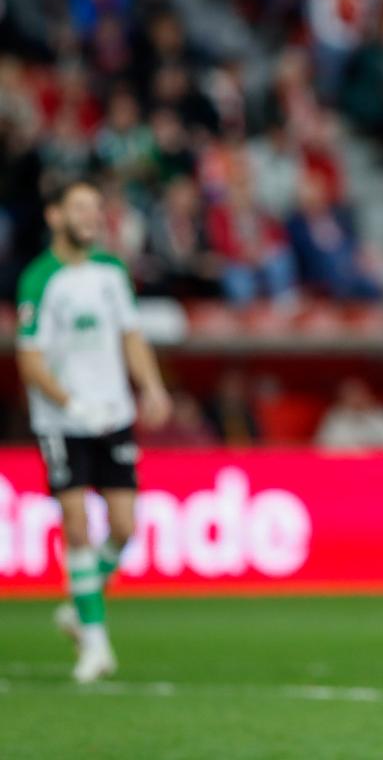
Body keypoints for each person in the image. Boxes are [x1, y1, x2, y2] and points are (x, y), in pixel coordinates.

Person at [15, 181, 171, 683]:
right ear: (55, 215)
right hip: (63, 420)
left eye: (96, 208)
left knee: (124, 527)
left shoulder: (111, 271)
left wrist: (152, 387)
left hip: (113, 413)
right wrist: (70, 402)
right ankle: (96, 644)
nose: (91, 217)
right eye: (80, 208)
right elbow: (29, 358)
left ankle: (79, 605)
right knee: (77, 521)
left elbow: (130, 335)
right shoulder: (40, 279)